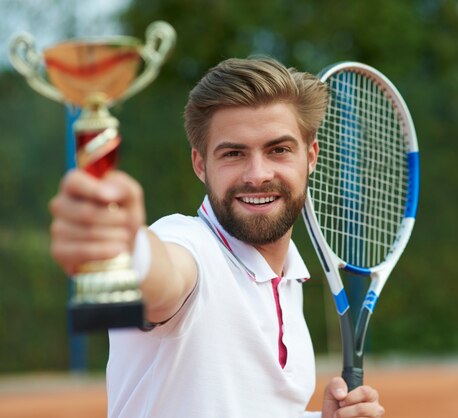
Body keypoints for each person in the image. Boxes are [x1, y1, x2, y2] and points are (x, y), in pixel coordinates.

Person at [49, 57, 385, 418]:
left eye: (279, 150)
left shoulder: (287, 280)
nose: (257, 174)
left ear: (311, 157)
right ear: (200, 164)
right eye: (234, 153)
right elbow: (164, 279)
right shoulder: (190, 245)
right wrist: (129, 249)